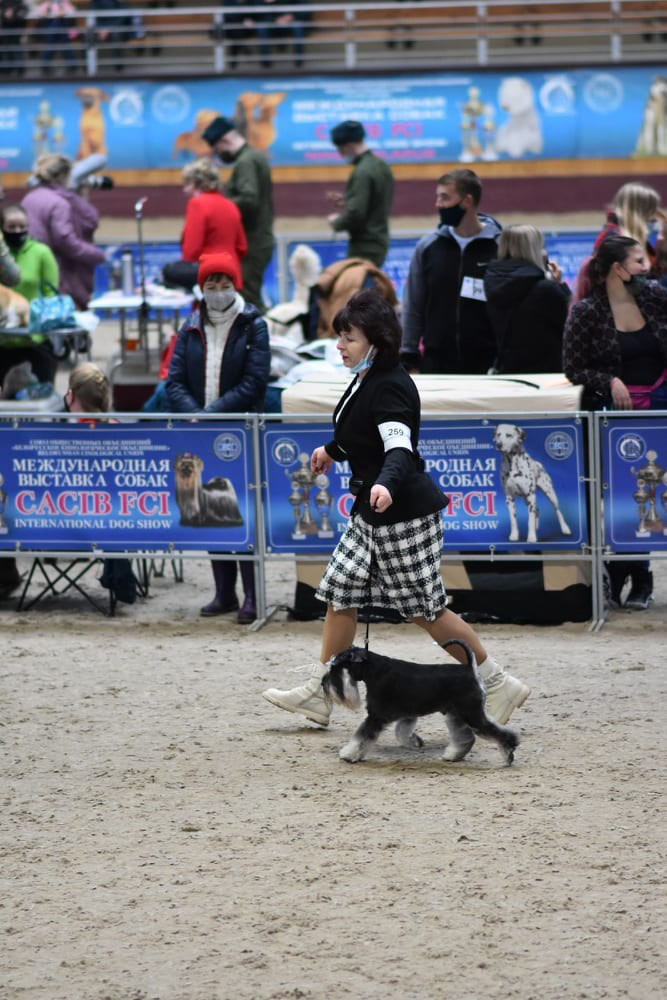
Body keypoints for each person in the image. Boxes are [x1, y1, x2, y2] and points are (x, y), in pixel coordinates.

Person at [262, 288, 529, 730]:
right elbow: (360, 430)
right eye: (340, 336)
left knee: (425, 610)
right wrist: (332, 449)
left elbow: (399, 450)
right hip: (371, 513)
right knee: (340, 591)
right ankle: (320, 689)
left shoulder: (390, 386)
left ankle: (498, 683)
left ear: (376, 340)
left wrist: (384, 484)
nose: (339, 346)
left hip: (402, 515)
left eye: (348, 337)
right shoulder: (369, 377)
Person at [563, 234, 667, 610]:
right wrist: (609, 380)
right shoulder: (587, 312)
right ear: (617, 269)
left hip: (659, 409)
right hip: (613, 419)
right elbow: (573, 368)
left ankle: (635, 572)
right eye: (638, 261)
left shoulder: (657, 298)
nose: (646, 267)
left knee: (654, 494)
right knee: (621, 496)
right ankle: (627, 571)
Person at [166, 250, 270, 622]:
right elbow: (174, 380)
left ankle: (253, 596)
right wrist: (195, 416)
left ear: (235, 285)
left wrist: (210, 413)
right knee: (209, 511)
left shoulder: (253, 324)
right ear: (202, 287)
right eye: (212, 283)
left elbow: (255, 381)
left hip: (240, 432)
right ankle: (223, 592)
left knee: (242, 512)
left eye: (225, 283)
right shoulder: (190, 325)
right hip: (200, 433)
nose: (218, 289)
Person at [400, 168, 501, 374]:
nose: (438, 205)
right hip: (436, 362)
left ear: (467, 201)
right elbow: (413, 304)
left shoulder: (500, 247)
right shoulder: (427, 247)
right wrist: (408, 353)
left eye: (444, 198)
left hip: (488, 363)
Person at [65, 363, 137, 606]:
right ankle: (118, 572)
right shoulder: (118, 428)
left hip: (63, 521)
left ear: (71, 395)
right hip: (122, 520)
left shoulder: (58, 436)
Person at [202, 116, 274, 311]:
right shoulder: (255, 156)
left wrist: (218, 207)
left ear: (224, 141)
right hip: (259, 239)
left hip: (253, 241)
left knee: (248, 300)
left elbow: (249, 199)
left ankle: (263, 338)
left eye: (217, 149)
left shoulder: (245, 162)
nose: (219, 154)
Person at [21, 153, 105, 310]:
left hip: (32, 270)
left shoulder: (29, 198)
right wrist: (97, 254)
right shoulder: (60, 203)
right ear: (64, 175)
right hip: (60, 273)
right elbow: (66, 240)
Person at [484, 223, 570, 373]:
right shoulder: (545, 289)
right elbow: (571, 322)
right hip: (545, 374)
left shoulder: (490, 282)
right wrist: (559, 286)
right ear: (533, 250)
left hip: (506, 370)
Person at [163, 158, 247, 292]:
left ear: (198, 184)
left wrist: (184, 272)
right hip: (231, 275)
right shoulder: (230, 205)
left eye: (187, 184)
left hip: (208, 278)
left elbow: (192, 249)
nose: (184, 190)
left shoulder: (197, 204)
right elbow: (242, 246)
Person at [575, 182, 665, 301]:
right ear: (638, 212)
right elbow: (633, 284)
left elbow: (655, 274)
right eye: (651, 212)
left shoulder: (637, 240)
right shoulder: (614, 240)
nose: (655, 219)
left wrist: (662, 242)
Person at [326, 120, 394, 268]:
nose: (340, 154)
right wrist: (348, 201)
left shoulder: (362, 171)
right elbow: (375, 201)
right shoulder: (380, 165)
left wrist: (336, 221)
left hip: (364, 245)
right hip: (379, 240)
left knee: (358, 290)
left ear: (350, 145)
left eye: (341, 149)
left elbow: (356, 214)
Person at [1, 203, 59, 303]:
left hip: (34, 315)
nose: (17, 231)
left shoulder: (42, 252)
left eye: (22, 227)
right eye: (11, 227)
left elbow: (51, 293)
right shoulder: (2, 255)